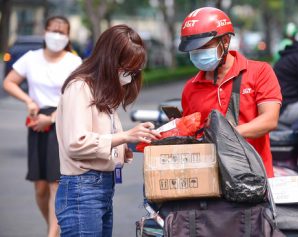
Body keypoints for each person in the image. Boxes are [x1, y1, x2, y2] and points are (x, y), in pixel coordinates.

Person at [54, 24, 161, 236]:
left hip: (101, 187)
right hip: (82, 189)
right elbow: (77, 143)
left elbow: (104, 136)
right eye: (127, 69)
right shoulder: (80, 87)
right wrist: (125, 135)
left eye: (135, 71)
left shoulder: (103, 91)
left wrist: (126, 145)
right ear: (109, 60)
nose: (130, 76)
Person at [179, 7, 282, 178]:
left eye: (205, 46)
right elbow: (191, 135)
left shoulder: (260, 72)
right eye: (194, 50)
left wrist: (226, 133)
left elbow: (269, 120)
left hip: (255, 180)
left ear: (225, 41)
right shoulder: (191, 88)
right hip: (209, 184)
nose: (198, 54)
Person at [3, 16, 82, 237]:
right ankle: (55, 228)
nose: (57, 35)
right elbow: (9, 82)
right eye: (53, 30)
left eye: (62, 32)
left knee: (55, 182)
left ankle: (52, 234)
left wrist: (54, 117)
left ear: (67, 36)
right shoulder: (31, 58)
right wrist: (29, 101)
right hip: (37, 121)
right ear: (44, 31)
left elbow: (77, 96)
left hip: (62, 120)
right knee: (39, 186)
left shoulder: (73, 62)